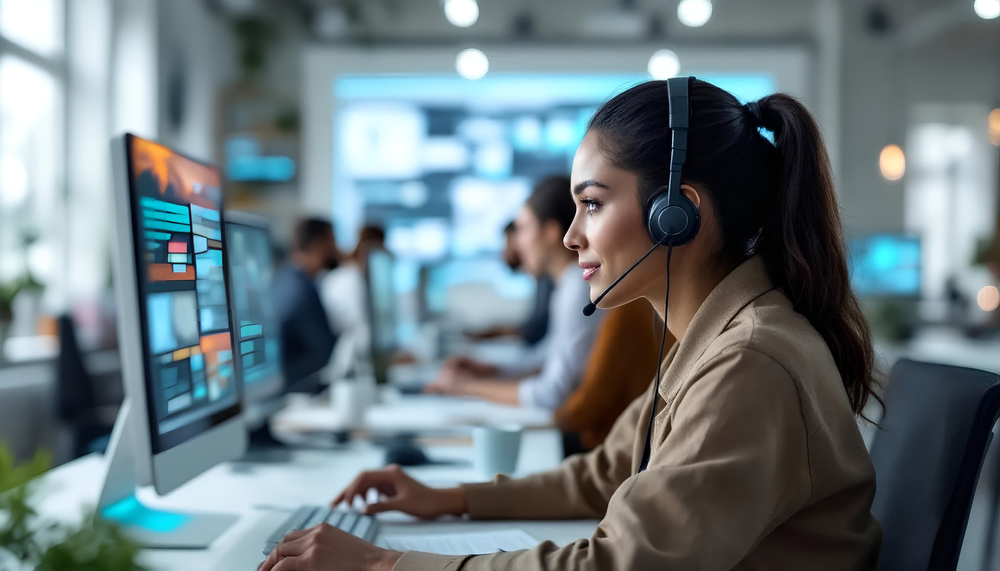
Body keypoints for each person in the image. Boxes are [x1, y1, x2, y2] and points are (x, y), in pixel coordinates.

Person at [260, 79, 883, 570]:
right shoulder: (711, 339)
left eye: (593, 204)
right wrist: (448, 499)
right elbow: (607, 474)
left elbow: (619, 564)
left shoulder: (751, 361)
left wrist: (381, 564)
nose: (570, 234)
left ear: (676, 215)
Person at [425, 175, 605, 409]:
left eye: (524, 229)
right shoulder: (569, 286)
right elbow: (548, 355)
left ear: (550, 231)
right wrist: (491, 371)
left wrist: (466, 387)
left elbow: (553, 393)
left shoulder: (579, 290)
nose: (518, 243)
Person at [554, 298, 671, 455]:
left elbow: (588, 407)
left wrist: (553, 419)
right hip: (635, 443)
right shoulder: (651, 310)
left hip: (608, 444)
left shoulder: (626, 314)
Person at [272, 217, 340, 392]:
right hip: (294, 394)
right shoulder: (302, 291)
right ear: (319, 245)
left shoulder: (286, 278)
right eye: (332, 242)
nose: (337, 250)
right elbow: (326, 352)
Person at [465, 221, 554, 347]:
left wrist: (495, 333)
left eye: (506, 243)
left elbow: (535, 330)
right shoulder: (540, 280)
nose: (504, 254)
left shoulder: (547, 280)